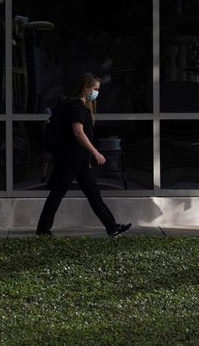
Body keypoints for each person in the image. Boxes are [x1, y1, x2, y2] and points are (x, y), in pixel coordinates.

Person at [35, 73, 131, 237]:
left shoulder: (77, 106)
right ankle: (43, 229)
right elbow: (78, 133)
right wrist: (95, 152)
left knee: (92, 193)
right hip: (71, 159)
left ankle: (111, 226)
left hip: (76, 159)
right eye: (95, 89)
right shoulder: (77, 106)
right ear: (85, 87)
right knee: (59, 193)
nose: (96, 93)